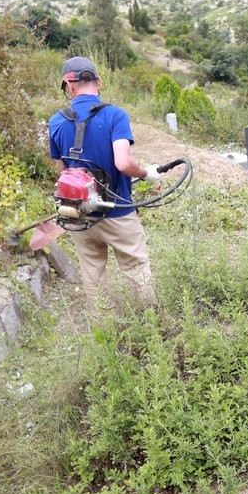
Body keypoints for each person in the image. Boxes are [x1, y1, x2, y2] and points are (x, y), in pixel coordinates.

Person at [48, 56, 161, 309]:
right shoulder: (114, 115)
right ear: (98, 82)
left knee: (92, 274)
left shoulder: (56, 121)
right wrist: (145, 173)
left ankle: (104, 325)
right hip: (118, 213)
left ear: (69, 86)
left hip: (79, 214)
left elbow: (62, 171)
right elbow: (123, 163)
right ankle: (150, 323)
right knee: (136, 268)